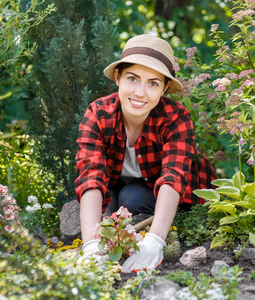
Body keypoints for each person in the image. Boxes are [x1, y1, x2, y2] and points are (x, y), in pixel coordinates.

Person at [74, 34, 216, 271]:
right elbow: (91, 177)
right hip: (120, 182)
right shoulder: (98, 114)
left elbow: (173, 177)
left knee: (131, 198)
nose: (140, 93)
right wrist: (90, 245)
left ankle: (148, 224)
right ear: (118, 77)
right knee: (104, 208)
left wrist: (156, 239)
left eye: (153, 83)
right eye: (133, 78)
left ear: (165, 87)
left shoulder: (175, 117)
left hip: (172, 193)